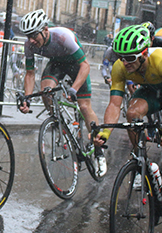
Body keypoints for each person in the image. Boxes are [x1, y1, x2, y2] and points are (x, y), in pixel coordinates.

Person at [94, 25, 162, 233]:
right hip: (151, 89)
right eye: (121, 57)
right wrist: (105, 133)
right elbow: (114, 105)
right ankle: (145, 163)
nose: (125, 62)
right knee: (132, 114)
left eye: (130, 57)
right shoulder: (120, 67)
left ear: (143, 53)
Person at [18, 9, 107, 177]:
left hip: (76, 66)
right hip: (57, 65)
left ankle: (99, 150)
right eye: (27, 35)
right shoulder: (29, 45)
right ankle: (59, 123)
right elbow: (30, 73)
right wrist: (27, 98)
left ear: (45, 30)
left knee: (84, 107)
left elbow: (85, 65)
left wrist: (74, 88)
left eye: (34, 35)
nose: (31, 40)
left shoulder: (63, 36)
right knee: (46, 91)